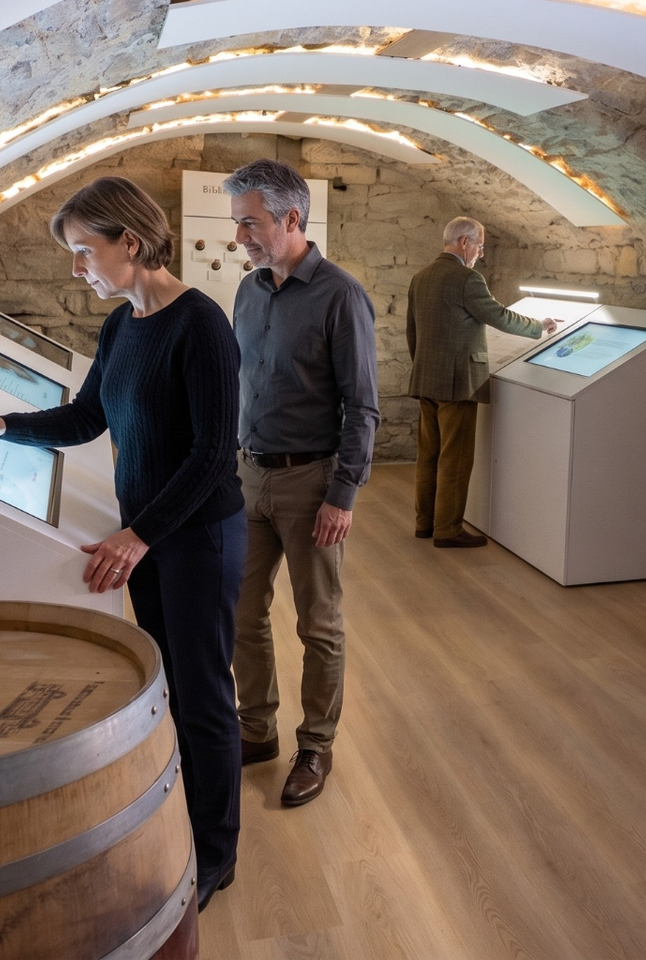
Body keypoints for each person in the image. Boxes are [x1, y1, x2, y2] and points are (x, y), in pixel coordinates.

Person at [0, 177, 246, 906]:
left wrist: (139, 535)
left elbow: (212, 455)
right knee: (170, 687)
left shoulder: (201, 325)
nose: (77, 268)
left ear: (130, 243)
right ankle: (185, 818)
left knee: (203, 698)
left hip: (199, 537)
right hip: (153, 537)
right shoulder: (123, 324)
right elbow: (87, 418)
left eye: (83, 251)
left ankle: (217, 855)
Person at [225, 159, 379, 807]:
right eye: (237, 225)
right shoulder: (249, 290)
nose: (241, 238)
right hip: (246, 475)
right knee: (239, 611)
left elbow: (363, 406)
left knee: (318, 625)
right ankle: (255, 728)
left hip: (311, 483)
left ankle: (315, 745)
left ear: (292, 219)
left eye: (250, 224)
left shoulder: (341, 296)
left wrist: (343, 494)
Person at [405, 216, 559, 547]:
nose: (481, 253)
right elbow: (499, 316)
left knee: (429, 454)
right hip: (459, 383)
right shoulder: (466, 278)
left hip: (427, 379)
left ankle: (424, 523)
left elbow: (412, 332)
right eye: (480, 245)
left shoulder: (421, 277)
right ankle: (447, 529)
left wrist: (424, 366)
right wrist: (538, 326)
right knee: (455, 459)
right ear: (464, 242)